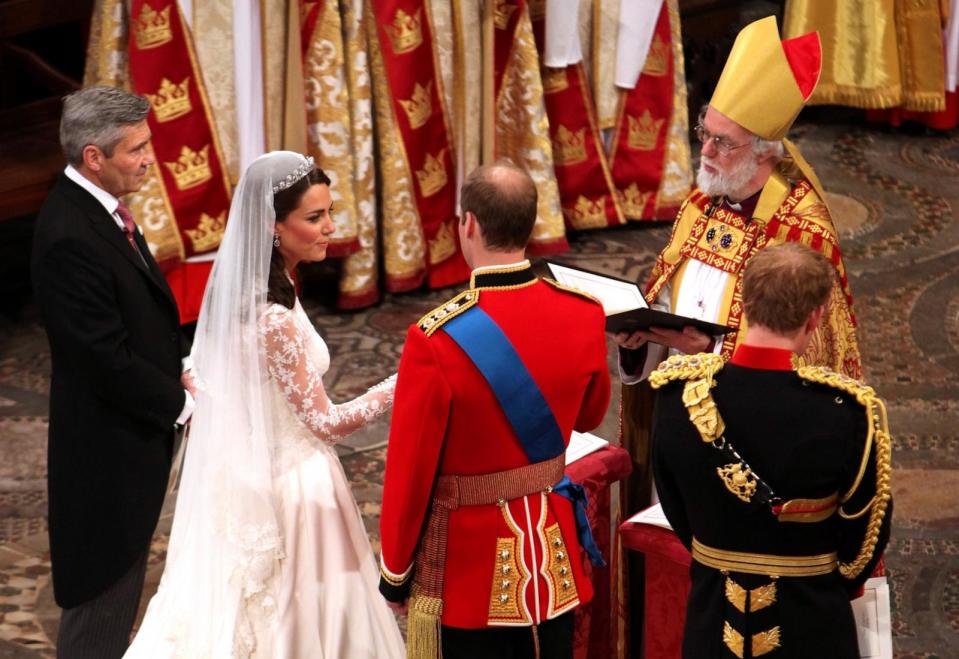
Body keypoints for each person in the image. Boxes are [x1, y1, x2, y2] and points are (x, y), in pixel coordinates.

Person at [124, 151, 405, 658]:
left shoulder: (258, 291)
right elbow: (325, 421)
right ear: (275, 227)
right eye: (314, 218)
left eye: (329, 212)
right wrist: (402, 382)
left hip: (252, 473)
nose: (329, 229)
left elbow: (212, 377)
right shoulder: (271, 317)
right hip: (293, 489)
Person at [378, 161, 612, 658]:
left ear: (469, 225)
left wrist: (396, 573)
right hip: (554, 552)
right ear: (531, 223)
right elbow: (591, 417)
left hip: (470, 569)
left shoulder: (434, 339)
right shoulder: (585, 310)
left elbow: (409, 471)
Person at [650, 243, 892, 658]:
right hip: (812, 624)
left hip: (712, 619)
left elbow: (676, 507)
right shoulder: (846, 413)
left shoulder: (677, 399)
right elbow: (863, 543)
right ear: (815, 318)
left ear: (743, 303)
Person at [30, 86, 194, 658]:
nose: (150, 158)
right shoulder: (69, 235)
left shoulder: (99, 211)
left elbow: (137, 311)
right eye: (137, 149)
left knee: (117, 594)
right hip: (105, 452)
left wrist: (182, 364)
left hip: (129, 437)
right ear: (93, 157)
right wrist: (179, 403)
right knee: (102, 599)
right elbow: (102, 357)